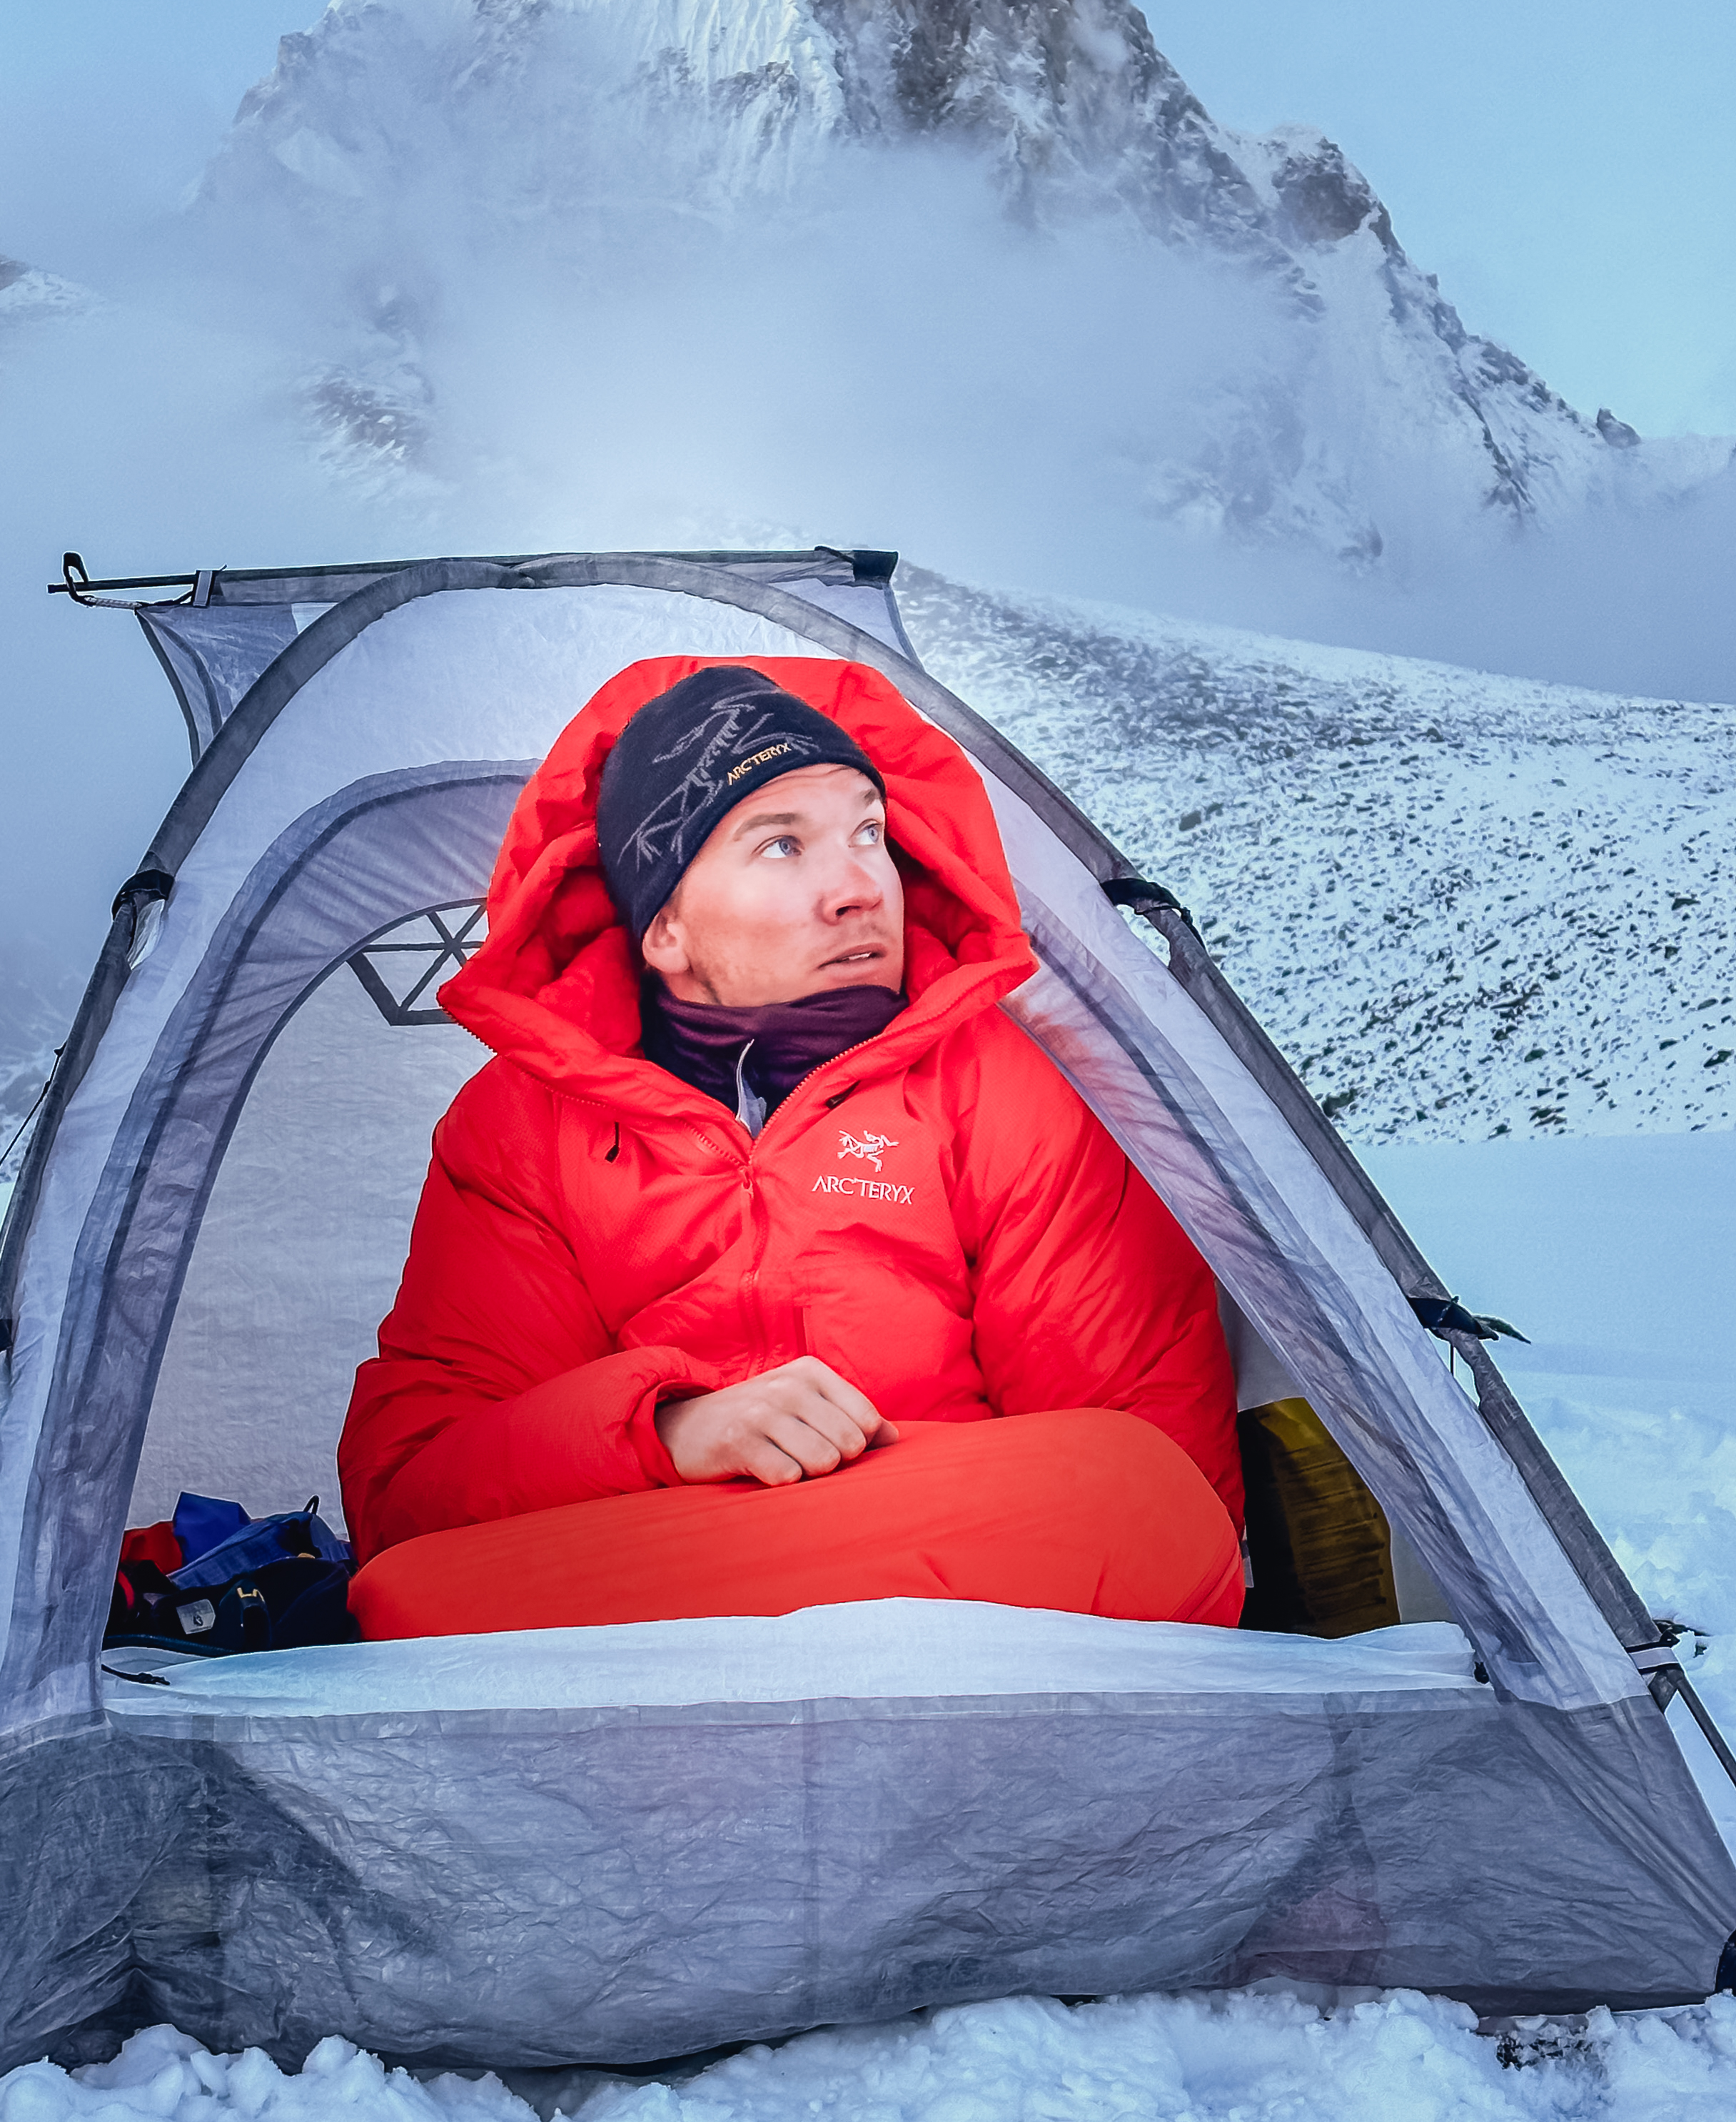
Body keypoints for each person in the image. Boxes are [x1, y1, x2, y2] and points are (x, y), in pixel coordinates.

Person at [338, 657, 1243, 1640]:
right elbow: (411, 1486)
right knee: (405, 1592)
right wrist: (670, 1428)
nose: (861, 887)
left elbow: (1159, 1471)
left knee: (1137, 1501)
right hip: (681, 1559)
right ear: (666, 933)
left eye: (869, 833)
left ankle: (770, 1654)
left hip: (950, 1588)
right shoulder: (525, 1124)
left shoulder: (1001, 1082)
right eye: (782, 847)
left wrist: (857, 1498)